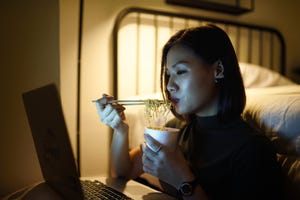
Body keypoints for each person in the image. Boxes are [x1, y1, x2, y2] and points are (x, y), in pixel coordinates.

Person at [95, 24, 284, 199]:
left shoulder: (251, 149)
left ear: (218, 70)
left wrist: (181, 178)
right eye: (168, 74)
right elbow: (122, 173)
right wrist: (120, 130)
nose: (169, 86)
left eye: (181, 72)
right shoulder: (175, 130)